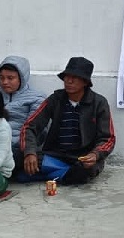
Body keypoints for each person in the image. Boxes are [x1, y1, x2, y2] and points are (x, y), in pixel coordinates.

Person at [19, 56, 115, 186]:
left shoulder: (99, 103)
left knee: (85, 171)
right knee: (17, 159)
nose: (69, 81)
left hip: (82, 159)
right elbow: (30, 126)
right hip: (54, 155)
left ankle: (51, 175)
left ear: (85, 82)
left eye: (74, 78)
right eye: (66, 77)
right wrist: (30, 153)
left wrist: (95, 154)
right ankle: (62, 176)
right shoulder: (55, 99)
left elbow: (108, 138)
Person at [0, 55, 46, 157]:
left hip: (19, 149)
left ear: (22, 78)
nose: (5, 82)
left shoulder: (37, 97)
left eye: (10, 78)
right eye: (1, 78)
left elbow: (34, 128)